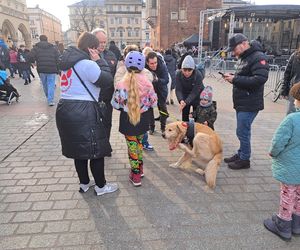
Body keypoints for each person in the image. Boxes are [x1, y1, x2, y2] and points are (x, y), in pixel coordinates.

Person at [56, 32, 118, 196]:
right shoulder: (87, 64)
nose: (99, 50)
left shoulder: (67, 63)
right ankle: (101, 186)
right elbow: (106, 80)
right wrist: (100, 61)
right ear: (91, 48)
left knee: (79, 150)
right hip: (84, 110)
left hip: (65, 108)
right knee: (96, 150)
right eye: (97, 47)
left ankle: (84, 183)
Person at [223, 33, 269, 170]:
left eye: (234, 49)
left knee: (242, 131)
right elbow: (245, 75)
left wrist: (235, 79)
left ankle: (245, 159)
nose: (233, 52)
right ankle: (241, 153)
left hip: (250, 102)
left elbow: (259, 79)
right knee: (241, 131)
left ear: (244, 44)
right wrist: (234, 76)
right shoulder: (245, 57)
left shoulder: (258, 57)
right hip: (242, 101)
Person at [112, 51, 157, 186]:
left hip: (128, 120)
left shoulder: (121, 84)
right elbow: (153, 103)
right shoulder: (148, 84)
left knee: (132, 147)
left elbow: (115, 104)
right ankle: (140, 170)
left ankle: (135, 175)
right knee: (139, 145)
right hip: (143, 120)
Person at [263, 82, 300, 241]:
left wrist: (273, 152)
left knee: (287, 194)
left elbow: (279, 142)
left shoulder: (292, 119)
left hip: (290, 166)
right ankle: (297, 224)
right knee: (299, 195)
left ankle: (283, 224)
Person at [92, 28, 117, 140]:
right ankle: (96, 145)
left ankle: (106, 144)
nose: (102, 45)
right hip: (92, 97)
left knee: (107, 122)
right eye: (99, 42)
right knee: (94, 124)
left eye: (104, 42)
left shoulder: (111, 55)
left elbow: (116, 75)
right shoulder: (86, 55)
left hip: (108, 96)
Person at [29, 35, 60, 106]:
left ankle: (48, 97)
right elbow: (58, 58)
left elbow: (30, 56)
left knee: (45, 84)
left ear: (40, 39)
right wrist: (58, 67)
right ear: (47, 39)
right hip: (52, 68)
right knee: (51, 84)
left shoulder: (36, 48)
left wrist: (33, 61)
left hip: (41, 69)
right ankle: (50, 100)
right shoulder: (53, 47)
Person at [145, 51, 169, 134]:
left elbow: (166, 80)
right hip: (149, 91)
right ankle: (151, 127)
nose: (154, 65)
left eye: (155, 62)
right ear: (147, 63)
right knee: (149, 109)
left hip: (161, 90)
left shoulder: (162, 66)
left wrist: (157, 80)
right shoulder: (144, 67)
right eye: (151, 63)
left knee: (162, 109)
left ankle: (163, 127)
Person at [176, 55, 204, 122]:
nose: (187, 73)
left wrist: (187, 101)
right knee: (185, 117)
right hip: (185, 95)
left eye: (189, 70)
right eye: (184, 70)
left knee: (197, 117)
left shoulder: (198, 75)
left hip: (197, 96)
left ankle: (196, 131)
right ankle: (186, 131)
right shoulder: (178, 74)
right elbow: (178, 89)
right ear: (181, 69)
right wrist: (181, 100)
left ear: (193, 69)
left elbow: (195, 92)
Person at [280, 48, 300, 114]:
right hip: (296, 90)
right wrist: (284, 90)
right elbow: (287, 74)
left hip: (295, 88)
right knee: (292, 113)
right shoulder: (295, 55)